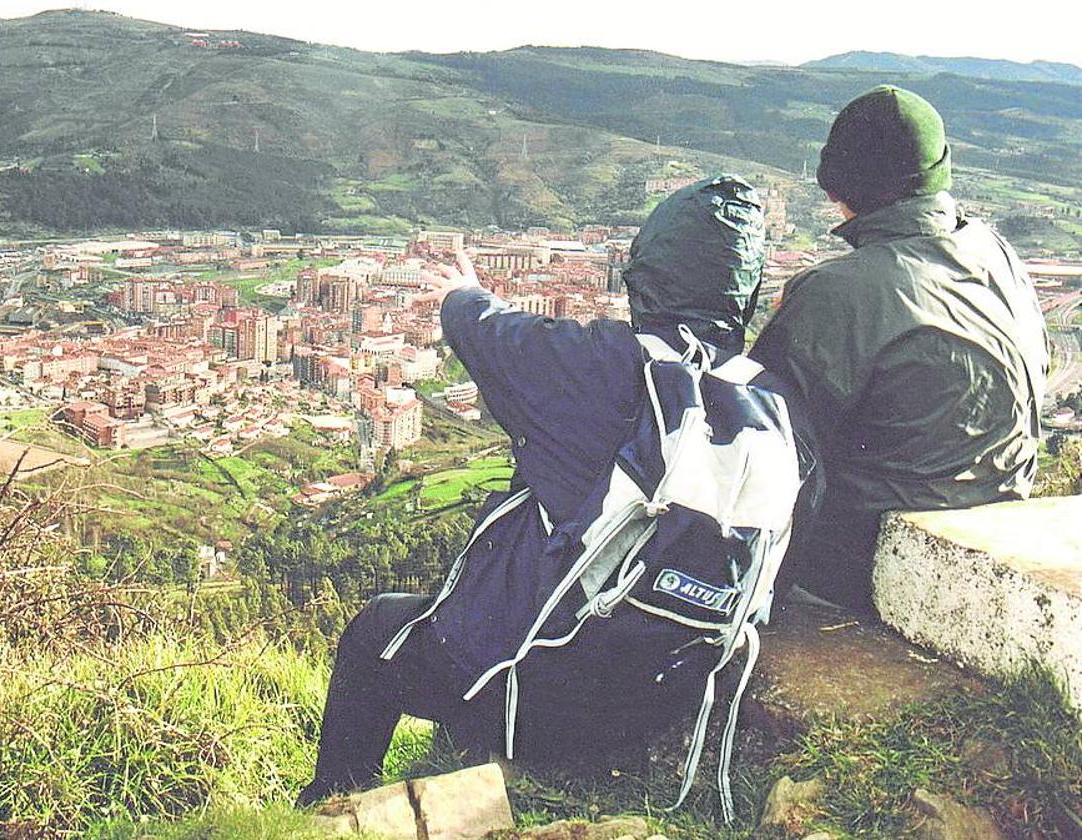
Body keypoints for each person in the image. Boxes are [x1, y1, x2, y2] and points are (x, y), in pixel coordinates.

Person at [298, 174, 812, 806]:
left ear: (644, 272)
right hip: (672, 695)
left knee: (377, 632)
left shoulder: (603, 363)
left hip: (543, 695)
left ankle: (331, 801)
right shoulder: (777, 406)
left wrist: (463, 293)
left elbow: (490, 334)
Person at [750, 85, 1050, 612]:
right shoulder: (998, 255)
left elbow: (755, 443)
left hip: (856, 566)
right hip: (995, 521)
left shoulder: (838, 291)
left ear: (840, 186)